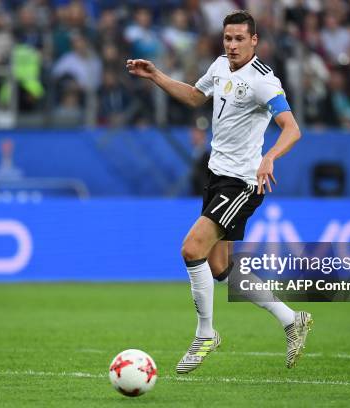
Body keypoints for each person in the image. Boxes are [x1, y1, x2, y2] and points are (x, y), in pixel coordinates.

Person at [126, 10, 312, 374]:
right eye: (228, 38)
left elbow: (292, 128)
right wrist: (156, 76)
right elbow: (196, 97)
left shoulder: (264, 81)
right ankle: (292, 319)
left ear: (254, 40)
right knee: (219, 265)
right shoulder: (219, 66)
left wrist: (270, 157)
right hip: (217, 177)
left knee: (191, 248)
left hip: (243, 182)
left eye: (239, 38)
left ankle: (205, 333)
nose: (232, 45)